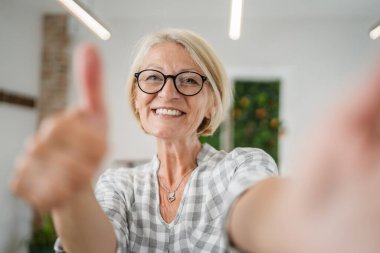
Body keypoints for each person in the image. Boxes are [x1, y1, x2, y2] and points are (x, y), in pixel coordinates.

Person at [11, 28, 380, 253]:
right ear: (137, 100)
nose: (167, 93)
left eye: (188, 80)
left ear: (212, 103)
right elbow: (96, 249)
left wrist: (306, 222)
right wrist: (71, 194)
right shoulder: (119, 184)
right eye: (153, 78)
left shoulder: (241, 165)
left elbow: (256, 210)